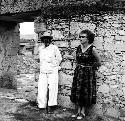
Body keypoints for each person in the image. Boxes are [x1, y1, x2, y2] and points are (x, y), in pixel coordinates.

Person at [70, 29, 101, 119]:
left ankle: (83, 112)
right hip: (79, 72)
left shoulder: (92, 49)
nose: (80, 38)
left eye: (83, 37)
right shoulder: (79, 48)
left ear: (88, 38)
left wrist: (91, 68)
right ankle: (78, 111)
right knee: (78, 91)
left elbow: (99, 62)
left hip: (88, 74)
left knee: (85, 91)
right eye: (80, 36)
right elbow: (77, 59)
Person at [35, 36, 62, 113]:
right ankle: (42, 106)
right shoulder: (40, 48)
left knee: (53, 88)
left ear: (50, 40)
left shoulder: (54, 48)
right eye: (44, 40)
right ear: (42, 41)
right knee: (41, 88)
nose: (46, 41)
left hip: (52, 71)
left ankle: (51, 106)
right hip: (43, 71)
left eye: (47, 40)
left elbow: (59, 58)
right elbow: (39, 59)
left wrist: (55, 66)